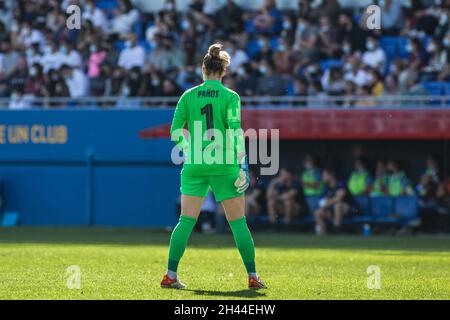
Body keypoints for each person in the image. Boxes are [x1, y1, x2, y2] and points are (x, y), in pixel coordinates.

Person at [161, 43, 266, 290]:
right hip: (224, 164)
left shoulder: (188, 96)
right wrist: (243, 164)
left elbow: (175, 131)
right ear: (223, 71)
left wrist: (188, 150)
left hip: (196, 164)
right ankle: (252, 276)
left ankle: (170, 275)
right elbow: (235, 131)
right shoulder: (231, 97)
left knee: (185, 221)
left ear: (203, 69)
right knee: (238, 223)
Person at [314, 169, 358, 235]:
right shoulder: (326, 187)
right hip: (333, 211)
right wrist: (324, 205)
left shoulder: (341, 184)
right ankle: (322, 233)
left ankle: (336, 230)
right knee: (318, 212)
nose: (322, 177)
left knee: (338, 205)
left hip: (351, 209)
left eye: (324, 175)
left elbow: (338, 199)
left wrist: (327, 203)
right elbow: (322, 201)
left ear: (331, 175)